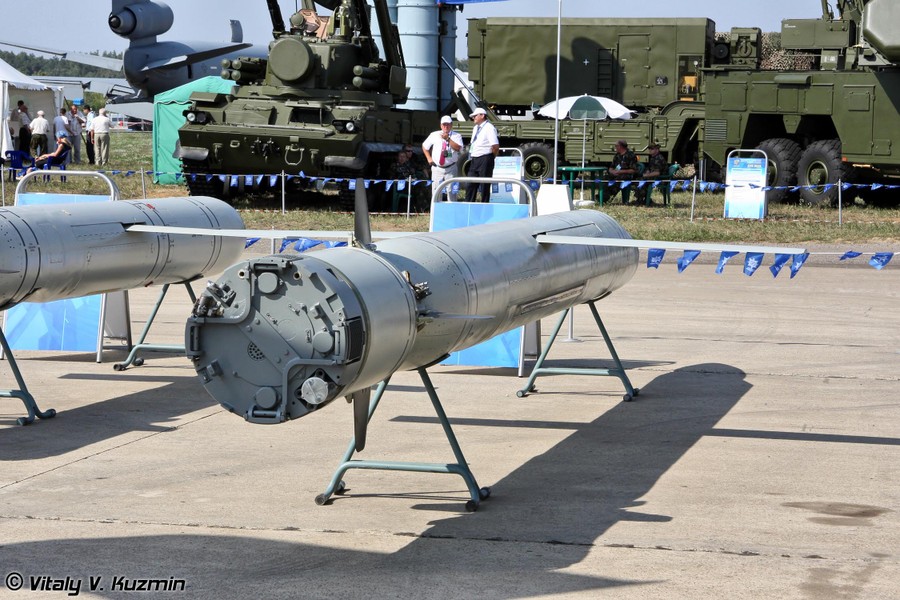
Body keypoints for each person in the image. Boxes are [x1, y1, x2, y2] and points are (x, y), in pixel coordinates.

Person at [422, 115, 463, 202]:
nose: (446, 126)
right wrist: (429, 158)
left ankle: (452, 209)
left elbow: (458, 148)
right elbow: (425, 146)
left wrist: (448, 139)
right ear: (441, 125)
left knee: (452, 193)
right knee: (436, 193)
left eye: (448, 124)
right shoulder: (434, 134)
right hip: (437, 168)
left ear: (451, 125)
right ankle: (436, 209)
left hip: (451, 168)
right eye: (444, 124)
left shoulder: (457, 136)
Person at [466, 107, 500, 202]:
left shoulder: (489, 128)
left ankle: (484, 205)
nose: (473, 118)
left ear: (482, 116)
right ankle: (469, 205)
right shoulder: (475, 128)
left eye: (475, 116)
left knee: (485, 186)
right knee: (470, 184)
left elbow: (495, 146)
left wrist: (491, 157)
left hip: (485, 157)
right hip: (474, 158)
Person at [606, 139, 639, 203]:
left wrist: (620, 172)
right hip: (616, 173)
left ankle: (607, 198)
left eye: (616, 146)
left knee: (617, 181)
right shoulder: (617, 155)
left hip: (626, 175)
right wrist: (612, 171)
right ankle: (601, 197)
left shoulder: (630, 155)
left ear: (621, 146)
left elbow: (633, 170)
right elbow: (611, 167)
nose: (615, 147)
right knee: (605, 179)